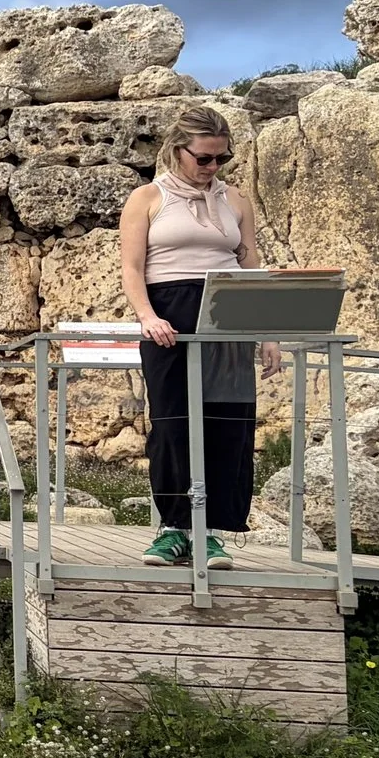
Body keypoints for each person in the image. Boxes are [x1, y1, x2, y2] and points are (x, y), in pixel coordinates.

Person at [118, 104, 281, 569]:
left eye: (221, 159)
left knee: (227, 422)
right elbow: (132, 268)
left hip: (227, 314)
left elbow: (250, 266)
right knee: (171, 423)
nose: (212, 167)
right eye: (204, 158)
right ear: (177, 151)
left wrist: (269, 332)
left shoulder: (235, 200)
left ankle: (211, 532)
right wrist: (147, 316)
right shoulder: (147, 198)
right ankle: (173, 529)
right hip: (168, 314)